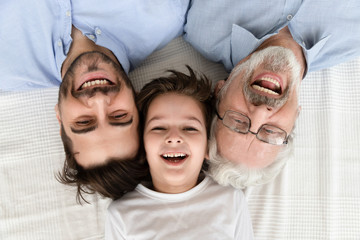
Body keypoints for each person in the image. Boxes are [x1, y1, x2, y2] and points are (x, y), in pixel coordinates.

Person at [0, 0, 189, 201]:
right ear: (135, 98)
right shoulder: (166, 13)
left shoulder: (6, 68)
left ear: (60, 118)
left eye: (84, 121)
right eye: (119, 115)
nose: (99, 99)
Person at [183, 0, 360, 188]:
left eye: (238, 122)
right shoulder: (353, 37)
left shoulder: (204, 26)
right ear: (295, 118)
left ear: (219, 91)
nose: (260, 112)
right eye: (270, 131)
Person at [105, 67, 254, 239]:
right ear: (141, 145)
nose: (174, 138)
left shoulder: (230, 200)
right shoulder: (122, 215)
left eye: (190, 128)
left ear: (208, 146)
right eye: (158, 128)